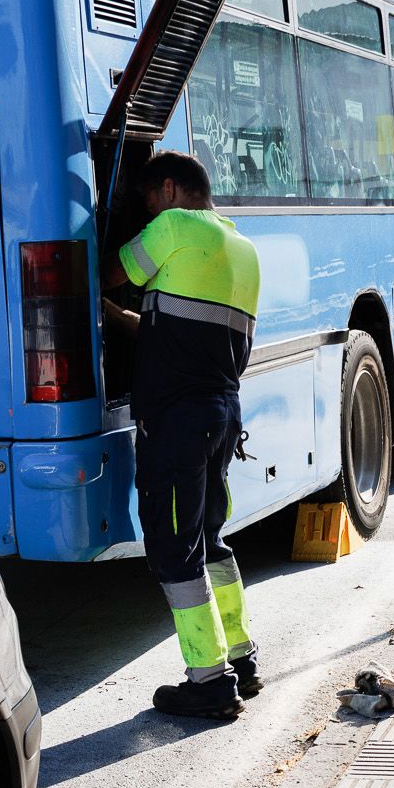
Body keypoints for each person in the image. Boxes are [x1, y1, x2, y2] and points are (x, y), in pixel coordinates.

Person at [103, 151, 262, 720]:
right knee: (211, 538)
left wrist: (95, 292)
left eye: (148, 204)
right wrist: (113, 318)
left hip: (177, 423)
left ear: (168, 190)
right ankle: (242, 659)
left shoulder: (172, 227)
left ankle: (209, 681)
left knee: (175, 550)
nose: (148, 217)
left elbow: (111, 273)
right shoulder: (242, 250)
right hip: (222, 414)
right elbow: (173, 332)